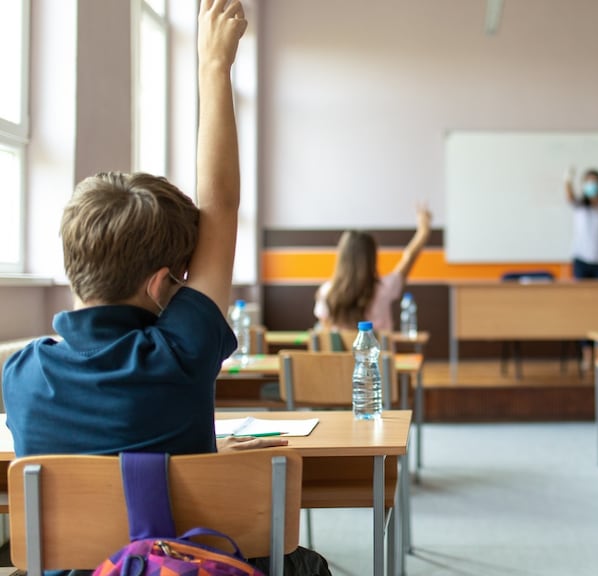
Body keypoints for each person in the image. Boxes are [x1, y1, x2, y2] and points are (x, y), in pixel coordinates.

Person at [2, 3, 325, 574]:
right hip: (179, 563)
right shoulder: (179, 352)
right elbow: (219, 206)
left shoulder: (21, 373)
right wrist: (214, 66)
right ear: (159, 284)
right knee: (305, 562)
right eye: (178, 278)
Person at [314, 205, 432, 332]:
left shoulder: (327, 292)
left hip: (342, 353)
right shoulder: (384, 288)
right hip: (381, 352)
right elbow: (408, 258)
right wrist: (423, 231)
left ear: (342, 258)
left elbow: (324, 334)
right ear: (372, 259)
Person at [565, 167, 598, 280]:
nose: (591, 184)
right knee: (581, 295)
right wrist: (568, 180)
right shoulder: (580, 205)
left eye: (594, 181)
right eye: (588, 182)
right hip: (581, 259)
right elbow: (570, 198)